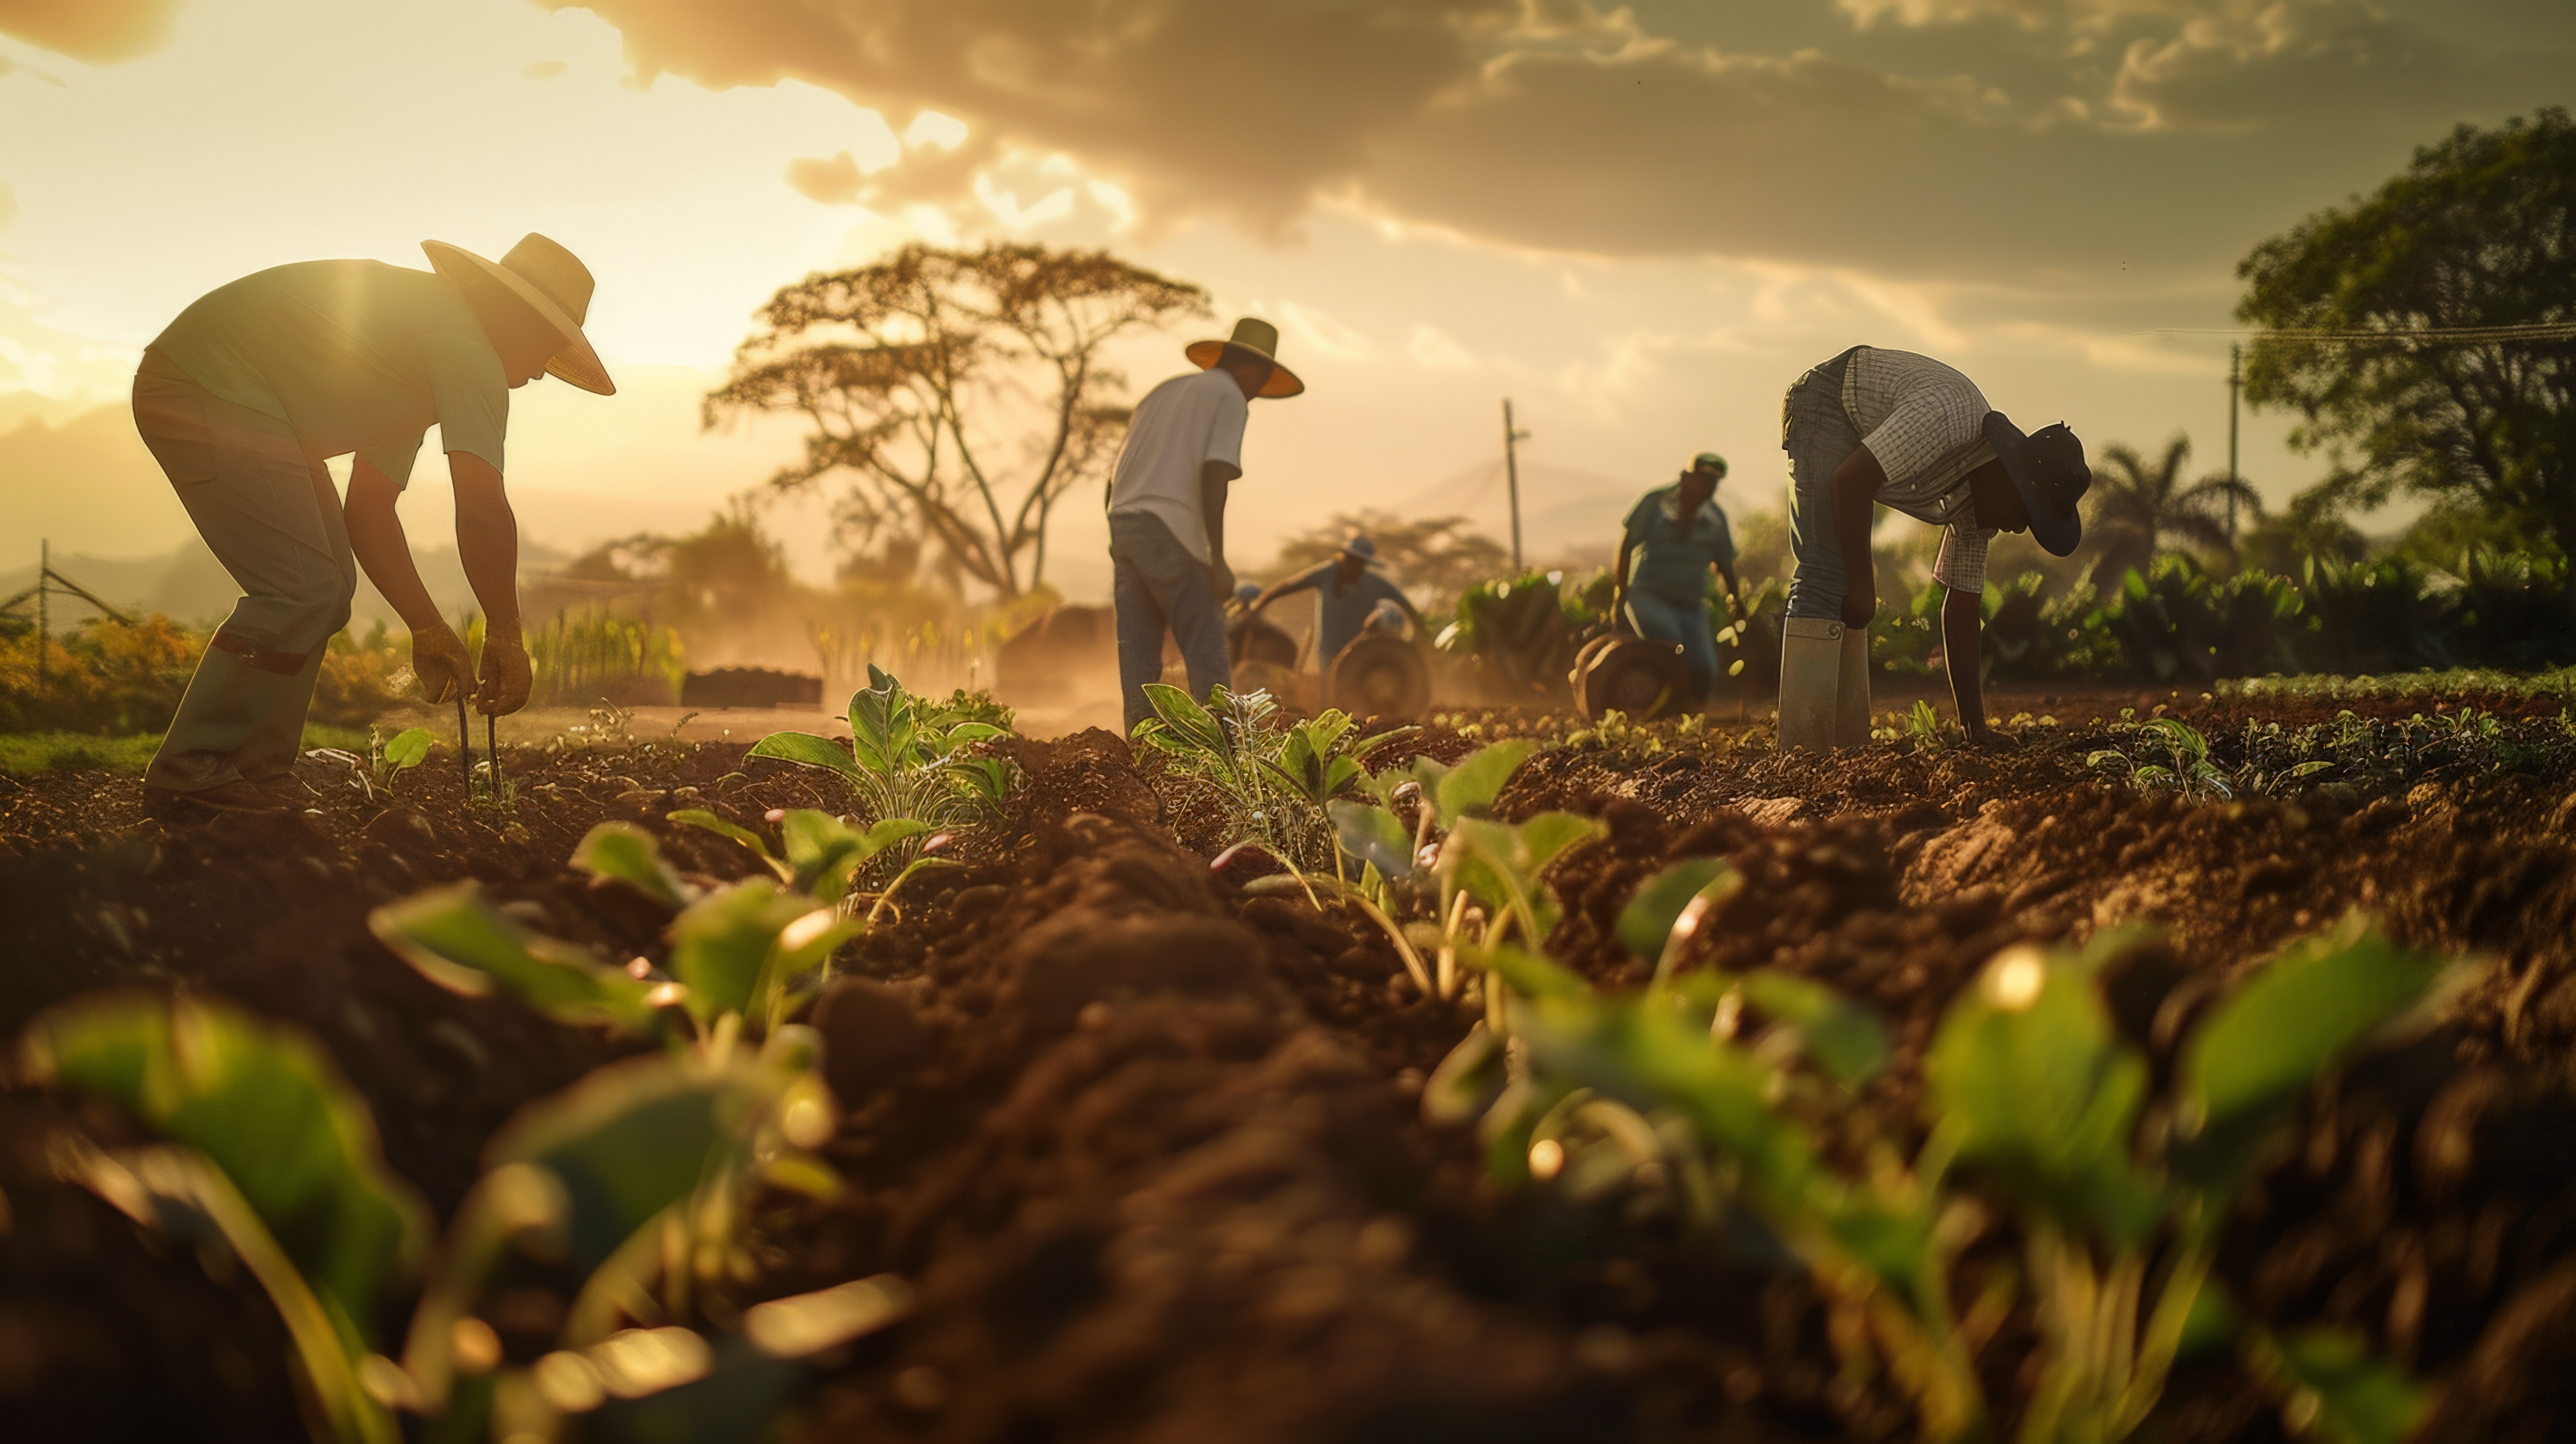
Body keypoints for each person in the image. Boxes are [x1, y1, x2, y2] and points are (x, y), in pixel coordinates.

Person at [131, 233, 613, 813]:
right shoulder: (466, 349)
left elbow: (369, 510)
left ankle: (256, 768)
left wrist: (427, 626)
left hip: (238, 399)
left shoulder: (419, 350)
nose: (543, 368)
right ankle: (191, 768)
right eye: (548, 344)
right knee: (305, 589)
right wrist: (507, 635)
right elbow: (483, 509)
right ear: (516, 317)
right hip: (206, 385)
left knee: (327, 591)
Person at [1777, 346, 2089, 748]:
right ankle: (1801, 750)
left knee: (1848, 596)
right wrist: (1863, 584)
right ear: (2012, 478)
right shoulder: (1949, 420)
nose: (2016, 528)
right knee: (1826, 576)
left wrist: (1976, 729)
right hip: (1829, 401)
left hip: (1855, 436)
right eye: (2025, 514)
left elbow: (1962, 609)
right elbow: (1851, 482)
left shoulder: (1982, 510)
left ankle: (1842, 747)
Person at [1105, 316, 1302, 731]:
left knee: (1138, 655)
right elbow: (1216, 474)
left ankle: (1142, 745)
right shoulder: (1229, 395)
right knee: (1208, 646)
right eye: (1259, 386)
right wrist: (1217, 560)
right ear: (1254, 371)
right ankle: (1225, 751)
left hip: (1124, 523)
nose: (1254, 398)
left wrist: (1117, 535)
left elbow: (1114, 476)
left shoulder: (1160, 394)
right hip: (1173, 528)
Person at [1614, 452, 1741, 707]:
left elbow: (1725, 565)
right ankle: (1658, 710)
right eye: (1703, 480)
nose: (1708, 488)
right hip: (1648, 596)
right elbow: (1627, 548)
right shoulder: (1654, 504)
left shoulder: (1716, 519)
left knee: (1706, 666)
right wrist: (1621, 596)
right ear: (1687, 477)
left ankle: (1693, 716)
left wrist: (1736, 602)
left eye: (1713, 483)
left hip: (1691, 605)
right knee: (1671, 644)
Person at [1246, 534, 1427, 670]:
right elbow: (1288, 586)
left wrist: (1425, 634)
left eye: (1360, 564)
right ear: (1345, 559)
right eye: (1353, 561)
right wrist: (1260, 605)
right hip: (1328, 650)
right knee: (1332, 696)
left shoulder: (1374, 584)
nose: (1355, 567)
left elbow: (1404, 604)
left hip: (1361, 652)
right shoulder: (1326, 574)